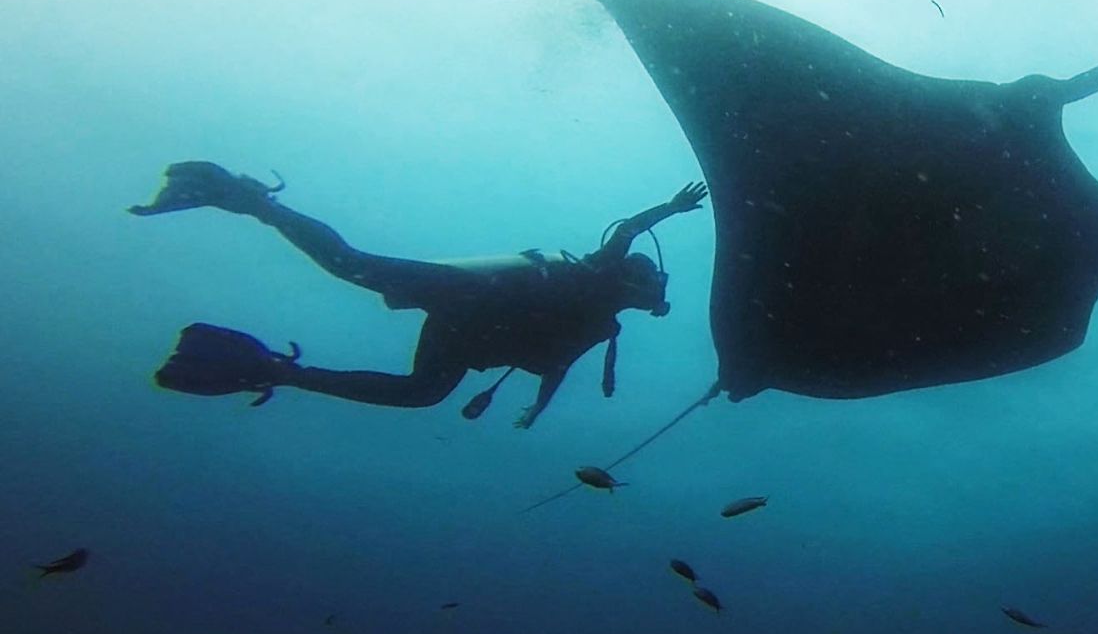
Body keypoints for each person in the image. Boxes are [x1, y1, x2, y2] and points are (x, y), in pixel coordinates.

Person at [130, 161, 707, 428]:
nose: (656, 293)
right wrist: (672, 209)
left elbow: (557, 367)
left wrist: (537, 407)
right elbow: (629, 230)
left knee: (420, 395)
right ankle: (247, 199)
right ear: (636, 278)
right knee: (351, 265)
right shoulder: (600, 275)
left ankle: (278, 372)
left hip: (469, 331)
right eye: (653, 284)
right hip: (471, 294)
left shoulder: (603, 324)